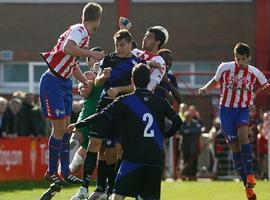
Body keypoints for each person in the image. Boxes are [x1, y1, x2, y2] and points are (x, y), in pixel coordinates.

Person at [68, 63, 183, 200]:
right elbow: (178, 122)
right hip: (154, 156)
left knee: (117, 195)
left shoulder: (125, 100)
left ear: (132, 81)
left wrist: (79, 123)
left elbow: (101, 115)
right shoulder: (160, 102)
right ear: (148, 81)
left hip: (132, 156)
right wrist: (165, 135)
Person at [39, 2, 104, 200]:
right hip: (53, 81)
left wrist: (85, 82)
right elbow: (68, 48)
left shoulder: (82, 35)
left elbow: (73, 63)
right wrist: (92, 53)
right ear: (97, 19)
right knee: (58, 130)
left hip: (64, 82)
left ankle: (64, 172)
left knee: (66, 129)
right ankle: (52, 172)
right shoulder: (79, 30)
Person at [71, 29, 143, 200]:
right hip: (104, 106)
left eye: (122, 45)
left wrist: (118, 89)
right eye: (117, 45)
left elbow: (136, 86)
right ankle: (84, 188)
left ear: (130, 44)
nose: (119, 48)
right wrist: (103, 76)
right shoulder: (109, 59)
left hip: (123, 108)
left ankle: (108, 190)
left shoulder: (136, 63)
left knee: (113, 150)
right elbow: (97, 82)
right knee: (94, 144)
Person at [198, 42, 270, 200]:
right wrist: (204, 89)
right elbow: (215, 81)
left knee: (243, 136)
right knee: (234, 147)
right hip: (226, 111)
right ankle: (247, 187)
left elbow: (266, 87)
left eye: (244, 59)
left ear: (249, 58)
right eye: (238, 59)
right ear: (234, 57)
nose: (241, 62)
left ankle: (250, 174)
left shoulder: (255, 72)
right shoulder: (224, 68)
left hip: (243, 109)